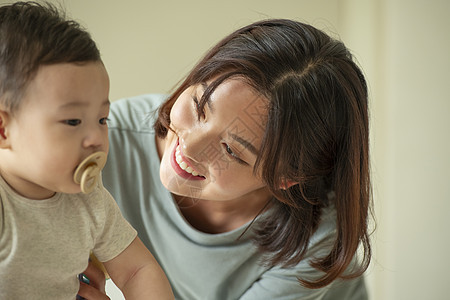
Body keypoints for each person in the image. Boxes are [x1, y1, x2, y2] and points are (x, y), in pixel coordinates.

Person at [83, 18, 373, 299]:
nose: (190, 148)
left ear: (286, 179)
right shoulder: (105, 140)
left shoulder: (317, 238)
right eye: (199, 107)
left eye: (231, 150)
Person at [0, 2, 174, 299]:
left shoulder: (90, 202)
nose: (96, 137)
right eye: (72, 121)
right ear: (4, 130)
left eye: (102, 119)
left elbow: (136, 271)